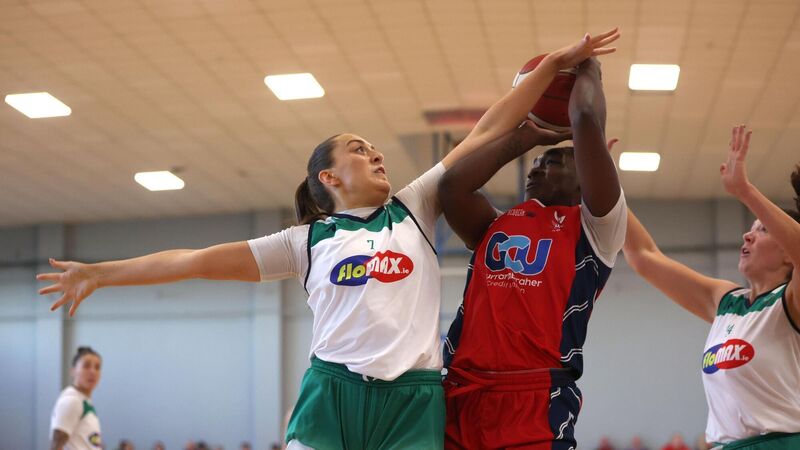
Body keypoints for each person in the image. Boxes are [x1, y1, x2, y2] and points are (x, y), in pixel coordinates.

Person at [37, 29, 620, 450]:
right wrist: (100, 273)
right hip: (332, 393)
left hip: (414, 402)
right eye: (360, 150)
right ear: (330, 177)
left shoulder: (414, 208)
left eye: (376, 148)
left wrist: (549, 74)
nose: (377, 154)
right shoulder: (306, 242)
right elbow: (192, 261)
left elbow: (489, 127)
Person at [439, 55, 626, 449]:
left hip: (536, 400)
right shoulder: (494, 224)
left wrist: (587, 67)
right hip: (461, 395)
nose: (536, 167)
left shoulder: (596, 229)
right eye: (537, 161)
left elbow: (585, 117)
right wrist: (527, 138)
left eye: (553, 161)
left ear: (583, 180)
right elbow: (451, 187)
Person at [622, 125, 800, 450]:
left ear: (788, 254)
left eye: (762, 230)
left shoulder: (791, 301)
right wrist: (600, 188)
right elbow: (643, 256)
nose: (748, 235)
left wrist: (745, 191)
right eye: (750, 228)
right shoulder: (726, 301)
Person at [50, 346, 103, 450]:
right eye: (86, 366)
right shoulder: (72, 400)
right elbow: (56, 446)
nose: (93, 371)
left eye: (97, 367)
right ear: (73, 371)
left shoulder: (83, 400)